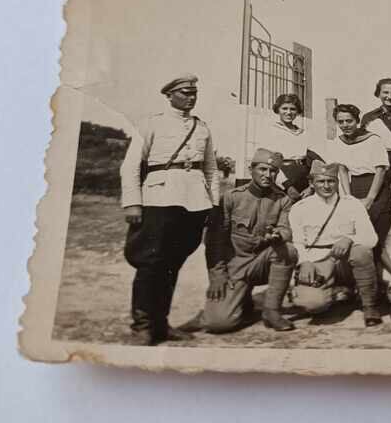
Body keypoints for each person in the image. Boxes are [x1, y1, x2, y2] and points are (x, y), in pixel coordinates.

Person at [119, 73, 220, 345]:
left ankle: (161, 324)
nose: (191, 97)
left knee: (172, 265)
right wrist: (132, 202)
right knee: (151, 264)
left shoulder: (202, 128)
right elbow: (130, 166)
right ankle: (142, 325)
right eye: (185, 92)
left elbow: (210, 168)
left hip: (194, 201)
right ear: (169, 95)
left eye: (194, 93)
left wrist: (214, 203)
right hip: (159, 199)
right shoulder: (152, 124)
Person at [182, 149, 298, 333]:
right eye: (262, 169)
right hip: (234, 266)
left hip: (261, 262)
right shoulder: (231, 198)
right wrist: (217, 274)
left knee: (288, 251)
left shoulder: (282, 200)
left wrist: (278, 236)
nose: (268, 175)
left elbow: (285, 229)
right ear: (251, 169)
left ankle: (271, 311)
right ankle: (239, 302)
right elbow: (214, 241)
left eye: (273, 171)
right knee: (218, 323)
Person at [288, 161, 383, 326]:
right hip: (318, 262)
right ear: (311, 183)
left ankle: (369, 306)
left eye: (331, 181)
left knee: (361, 252)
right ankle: (337, 292)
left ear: (337, 182)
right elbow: (296, 241)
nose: (326, 186)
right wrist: (304, 262)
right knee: (312, 305)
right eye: (321, 181)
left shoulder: (351, 204)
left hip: (345, 261)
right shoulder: (300, 208)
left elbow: (371, 237)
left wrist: (349, 238)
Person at [253, 92, 321, 200]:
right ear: (278, 110)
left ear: (297, 111)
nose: (288, 112)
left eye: (293, 109)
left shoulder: (303, 133)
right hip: (280, 182)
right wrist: (287, 186)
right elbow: (267, 163)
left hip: (304, 182)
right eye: (284, 108)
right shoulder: (270, 130)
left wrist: (311, 186)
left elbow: (315, 162)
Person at [325, 103, 389, 216]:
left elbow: (381, 170)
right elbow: (342, 169)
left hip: (375, 186)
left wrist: (370, 199)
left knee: (374, 218)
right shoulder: (338, 142)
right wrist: (348, 197)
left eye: (349, 121)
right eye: (341, 122)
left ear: (357, 121)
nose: (345, 125)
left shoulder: (374, 140)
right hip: (354, 185)